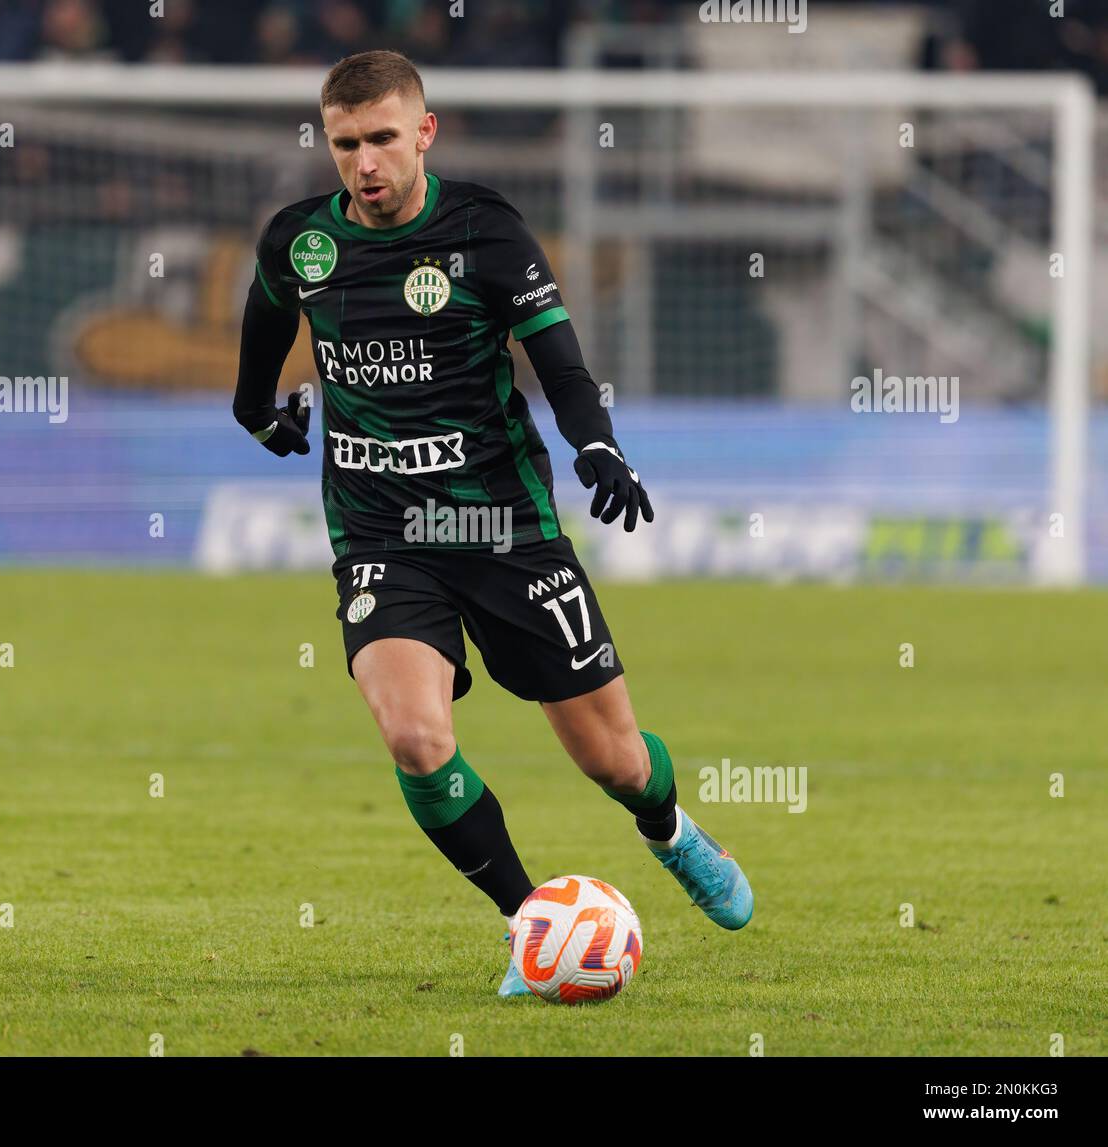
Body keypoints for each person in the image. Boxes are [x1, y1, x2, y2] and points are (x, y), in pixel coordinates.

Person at [233, 49, 752, 997]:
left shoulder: (486, 232)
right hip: (383, 535)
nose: (365, 163)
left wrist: (596, 444)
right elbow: (265, 325)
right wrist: (258, 409)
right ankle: (533, 925)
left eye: (383, 138)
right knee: (415, 739)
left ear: (424, 132)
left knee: (616, 759)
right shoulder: (300, 242)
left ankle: (672, 830)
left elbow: (557, 361)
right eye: (345, 144)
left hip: (504, 528)